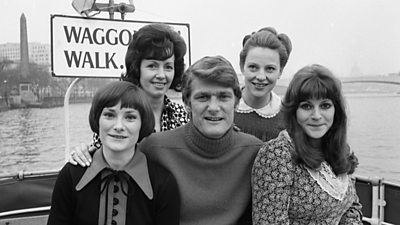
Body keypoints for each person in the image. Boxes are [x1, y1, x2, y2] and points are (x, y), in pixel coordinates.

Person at [72, 56, 263, 225]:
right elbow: (115, 159)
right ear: (187, 103)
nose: (213, 107)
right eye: (202, 97)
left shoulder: (257, 153)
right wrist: (88, 154)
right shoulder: (154, 147)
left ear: (236, 102)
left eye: (223, 97)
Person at [48, 81, 180, 225]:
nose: (118, 126)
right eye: (109, 115)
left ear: (142, 124)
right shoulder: (72, 175)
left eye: (130, 117)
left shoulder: (163, 183)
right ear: (97, 120)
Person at [252, 64, 363, 224]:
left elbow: (352, 208)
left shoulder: (340, 151)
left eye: (325, 105)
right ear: (293, 111)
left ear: (336, 111)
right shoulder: (277, 155)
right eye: (306, 106)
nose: (316, 115)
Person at [72, 23, 189, 165]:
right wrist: (83, 153)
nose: (161, 75)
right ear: (137, 67)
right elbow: (101, 152)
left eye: (168, 67)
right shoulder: (117, 113)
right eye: (152, 66)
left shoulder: (183, 115)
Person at [234, 27, 292, 141]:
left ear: (280, 71)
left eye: (270, 69)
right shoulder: (225, 109)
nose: (261, 77)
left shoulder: (288, 117)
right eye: (253, 67)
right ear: (242, 66)